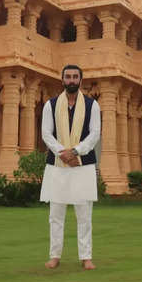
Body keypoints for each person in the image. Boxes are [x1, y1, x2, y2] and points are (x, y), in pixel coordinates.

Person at [40, 64, 101, 271]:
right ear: (62, 80)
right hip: (57, 165)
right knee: (56, 214)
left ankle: (86, 257)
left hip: (82, 164)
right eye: (68, 77)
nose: (72, 80)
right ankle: (54, 256)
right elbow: (46, 134)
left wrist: (75, 152)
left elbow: (94, 134)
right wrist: (63, 153)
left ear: (80, 80)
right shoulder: (51, 104)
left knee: (84, 213)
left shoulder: (93, 105)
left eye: (75, 77)